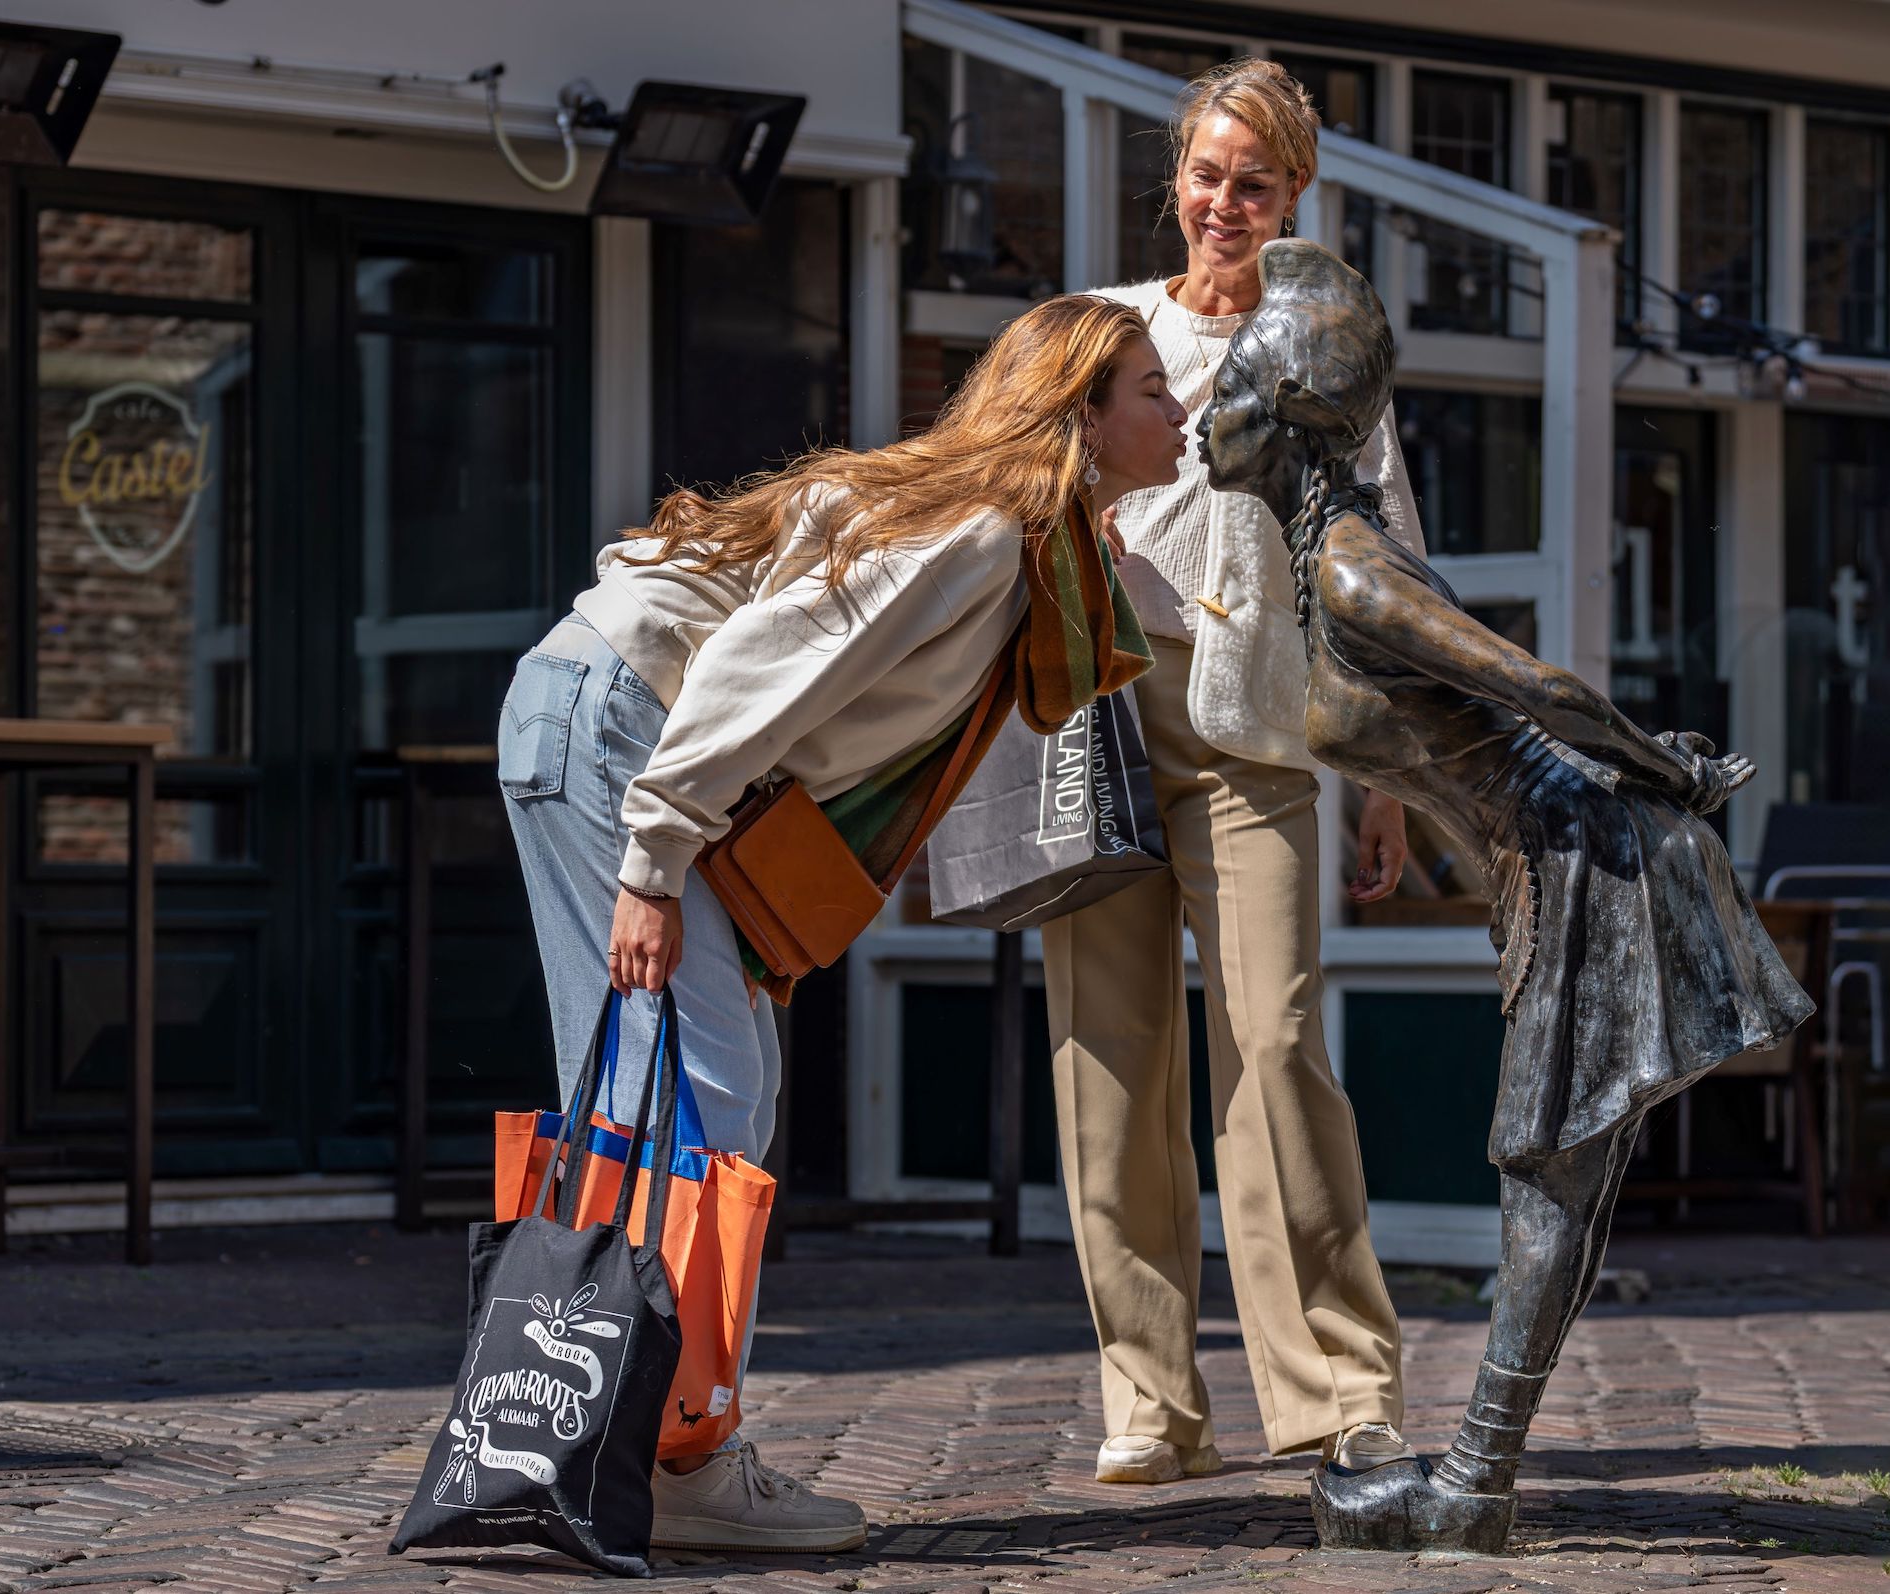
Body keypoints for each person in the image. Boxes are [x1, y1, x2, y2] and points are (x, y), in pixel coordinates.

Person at [497, 293, 1184, 1552]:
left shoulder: (1040, 544)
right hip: (623, 731)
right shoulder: (982, 533)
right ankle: (668, 1458)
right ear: (1079, 415)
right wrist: (656, 856)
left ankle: (620, 1436)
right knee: (693, 1092)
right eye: (1152, 389)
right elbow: (760, 665)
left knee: (690, 1096)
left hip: (615, 721)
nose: (1178, 410)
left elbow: (1184, 616)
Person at [1195, 239, 1815, 1552]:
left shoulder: (1356, 570)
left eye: (1233, 391)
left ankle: (1473, 1481)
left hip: (1592, 842)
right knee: (1570, 1179)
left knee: (1550, 1170)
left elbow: (1539, 690)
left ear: (1297, 424)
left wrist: (1672, 768)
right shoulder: (1322, 565)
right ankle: (1476, 1478)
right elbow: (1431, 745)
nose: (1205, 415)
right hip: (1547, 855)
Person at [1052, 58, 1424, 1487]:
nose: (1221, 202)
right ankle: (1149, 1399)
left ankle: (1339, 1387)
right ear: (1177, 180)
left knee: (1272, 1047)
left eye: (1251, 181)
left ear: (1294, 195)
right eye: (1206, 174)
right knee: (1111, 1061)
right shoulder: (1106, 330)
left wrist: (1383, 772)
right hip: (1099, 722)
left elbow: (1373, 562)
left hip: (1259, 736)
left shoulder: (1328, 347)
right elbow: (1019, 488)